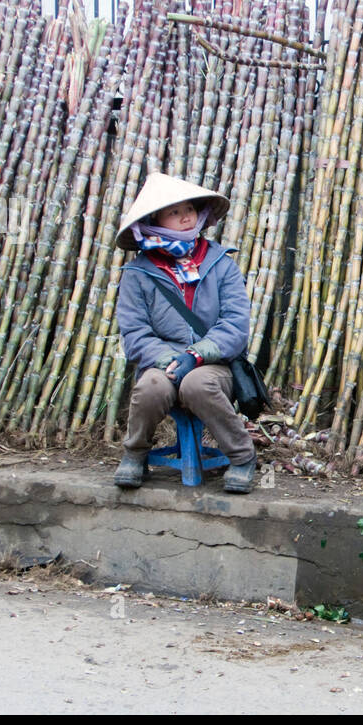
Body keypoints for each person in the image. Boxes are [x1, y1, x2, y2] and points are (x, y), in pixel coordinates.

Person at [113, 172, 258, 494]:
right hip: (161, 362)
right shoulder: (137, 273)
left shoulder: (221, 264)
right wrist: (169, 359)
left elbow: (235, 324)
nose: (185, 216)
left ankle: (242, 456)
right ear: (155, 219)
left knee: (198, 384)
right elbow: (135, 332)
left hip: (214, 363)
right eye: (174, 212)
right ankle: (135, 454)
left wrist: (196, 355)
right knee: (150, 387)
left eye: (189, 209)